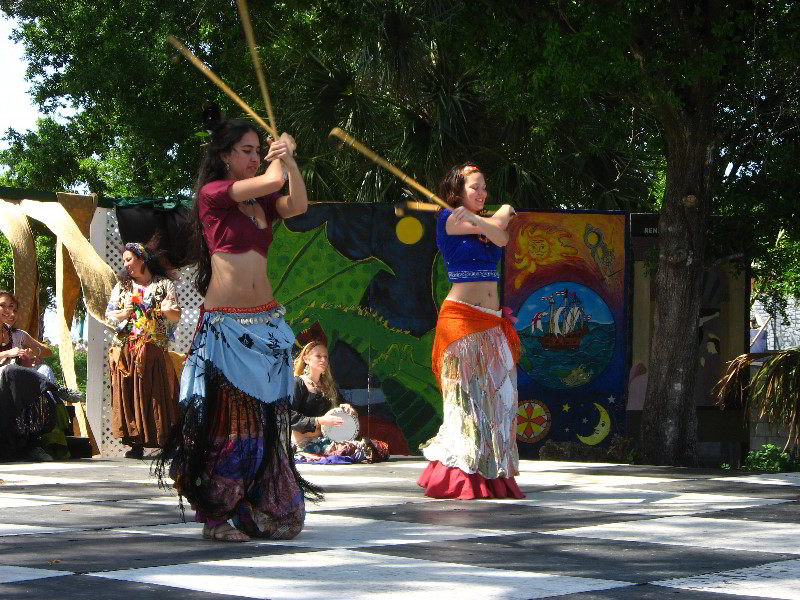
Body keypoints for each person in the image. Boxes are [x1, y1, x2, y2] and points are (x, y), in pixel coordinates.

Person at [158, 116, 318, 543]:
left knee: (264, 423)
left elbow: (297, 204)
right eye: (245, 151)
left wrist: (291, 162)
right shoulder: (214, 195)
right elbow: (269, 182)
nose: (252, 158)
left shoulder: (262, 203)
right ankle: (216, 514)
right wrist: (277, 162)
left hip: (265, 325)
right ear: (225, 156)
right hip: (226, 328)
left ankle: (251, 507)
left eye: (255, 151)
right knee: (228, 424)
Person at [417, 163, 524, 499]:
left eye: (484, 188)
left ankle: (493, 474)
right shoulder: (447, 219)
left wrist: (492, 217)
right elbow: (497, 225)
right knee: (466, 404)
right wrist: (495, 216)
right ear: (457, 191)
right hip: (461, 322)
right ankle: (461, 478)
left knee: (502, 401)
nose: (482, 193)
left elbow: (502, 236)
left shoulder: (480, 222)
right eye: (475, 188)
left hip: (492, 323)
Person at [104, 242, 182, 459]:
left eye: (129, 259)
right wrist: (123, 313)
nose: (125, 264)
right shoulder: (122, 286)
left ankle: (165, 441)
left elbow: (176, 315)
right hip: (125, 348)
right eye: (124, 261)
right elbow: (108, 314)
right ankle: (135, 443)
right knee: (129, 394)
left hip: (153, 347)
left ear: (142, 258)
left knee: (156, 394)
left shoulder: (164, 285)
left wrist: (167, 310)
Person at [0, 290, 74, 461]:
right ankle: (54, 389)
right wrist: (7, 354)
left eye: (12, 307)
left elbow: (47, 351)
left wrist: (32, 353)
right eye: (3, 305)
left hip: (13, 384)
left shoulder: (17, 335)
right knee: (9, 371)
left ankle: (36, 442)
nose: (8, 310)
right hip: (4, 377)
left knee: (44, 369)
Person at [290, 340, 358, 453]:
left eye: (326, 357)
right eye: (318, 356)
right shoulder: (297, 383)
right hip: (302, 445)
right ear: (306, 359)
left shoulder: (329, 387)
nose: (323, 360)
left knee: (364, 449)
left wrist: (347, 409)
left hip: (325, 441)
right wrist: (320, 421)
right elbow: (289, 416)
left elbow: (342, 409)